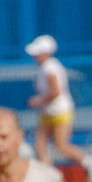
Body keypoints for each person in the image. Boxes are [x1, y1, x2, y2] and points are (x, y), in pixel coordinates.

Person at [26, 34, 81, 166]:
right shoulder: (45, 67)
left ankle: (87, 162)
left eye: (38, 53)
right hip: (47, 112)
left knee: (61, 146)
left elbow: (56, 91)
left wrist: (38, 101)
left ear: (46, 52)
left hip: (59, 111)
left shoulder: (50, 68)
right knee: (40, 144)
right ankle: (47, 171)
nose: (35, 56)